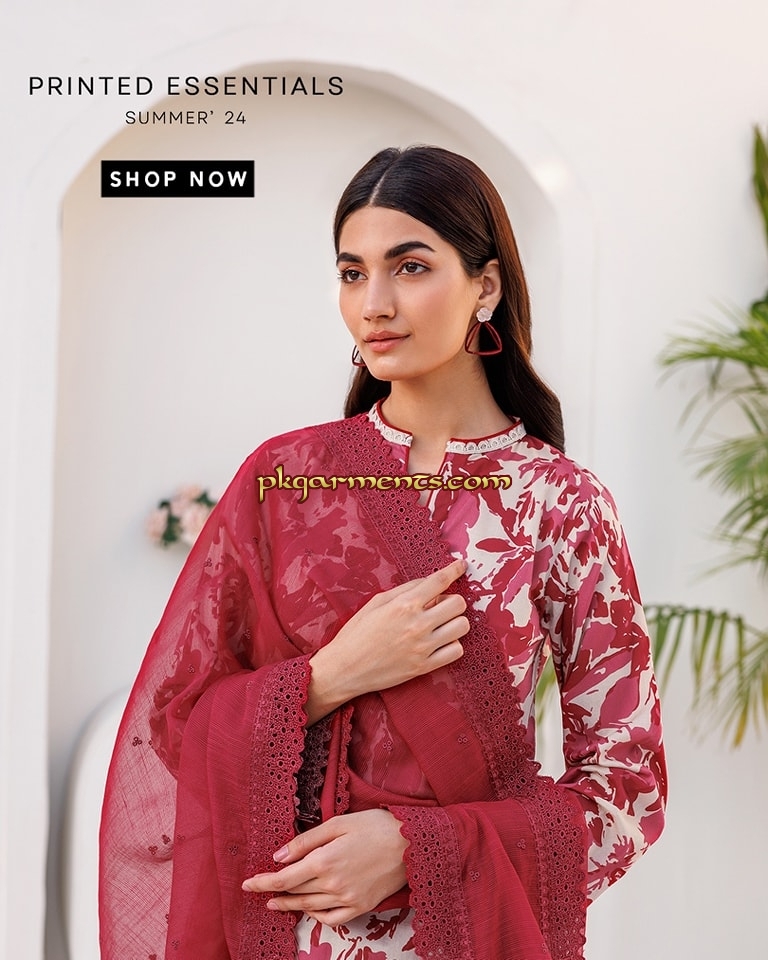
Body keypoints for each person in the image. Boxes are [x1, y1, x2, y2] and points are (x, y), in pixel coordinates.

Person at [99, 145, 667, 960]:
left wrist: (414, 849)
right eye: (352, 273)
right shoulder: (286, 479)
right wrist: (330, 677)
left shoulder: (561, 505)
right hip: (283, 940)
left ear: (486, 286)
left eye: (410, 267)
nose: (374, 304)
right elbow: (174, 726)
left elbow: (626, 796)